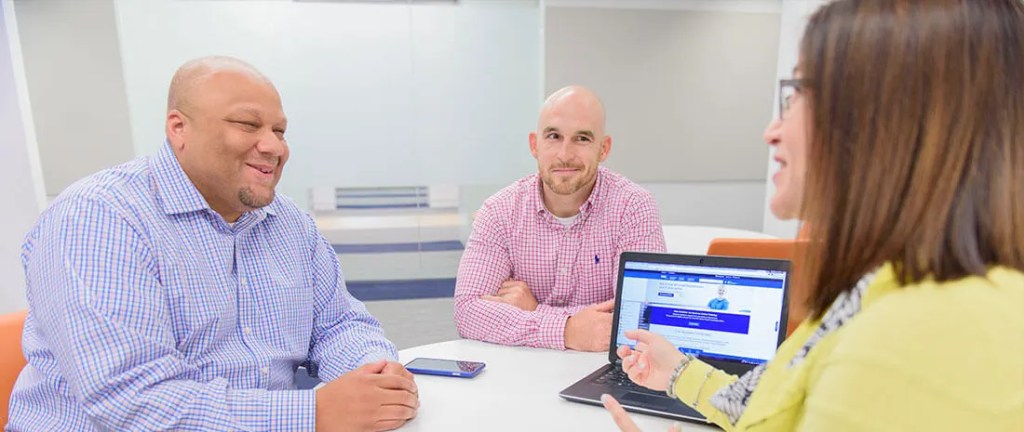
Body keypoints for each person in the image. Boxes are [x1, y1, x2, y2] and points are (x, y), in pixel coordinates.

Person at [602, 0, 1024, 430]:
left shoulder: (908, 338)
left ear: (879, 119)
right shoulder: (884, 289)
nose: (772, 131)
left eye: (797, 94)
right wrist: (678, 372)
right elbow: (778, 405)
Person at [7, 56, 419, 431]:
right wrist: (314, 413)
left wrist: (376, 372)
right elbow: (132, 400)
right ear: (179, 128)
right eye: (247, 125)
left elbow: (338, 324)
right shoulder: (98, 217)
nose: (274, 146)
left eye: (279, 131)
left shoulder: (290, 222)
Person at [454, 86, 666, 352]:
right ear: (535, 144)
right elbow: (468, 312)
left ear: (603, 149)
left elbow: (642, 319)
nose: (565, 154)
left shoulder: (633, 207)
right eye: (553, 136)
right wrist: (568, 330)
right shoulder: (499, 212)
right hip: (522, 367)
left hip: (602, 367)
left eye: (582, 139)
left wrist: (536, 311)